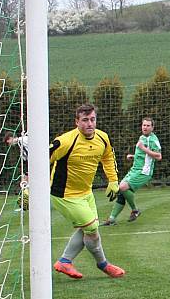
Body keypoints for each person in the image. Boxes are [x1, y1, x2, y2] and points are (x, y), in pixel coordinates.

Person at [50, 103, 125, 279]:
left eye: (92, 119)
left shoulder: (103, 138)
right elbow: (40, 159)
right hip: (64, 194)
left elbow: (108, 157)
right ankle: (104, 265)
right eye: (85, 120)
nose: (89, 124)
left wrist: (113, 180)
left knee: (89, 229)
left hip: (86, 192)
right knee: (91, 227)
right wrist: (30, 187)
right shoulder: (65, 141)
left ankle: (65, 261)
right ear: (77, 122)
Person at [102, 117, 162, 226]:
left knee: (123, 187)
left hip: (144, 172)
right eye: (144, 125)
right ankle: (111, 219)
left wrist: (143, 148)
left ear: (152, 127)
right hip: (135, 170)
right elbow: (145, 156)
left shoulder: (153, 140)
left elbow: (158, 156)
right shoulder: (142, 137)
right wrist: (134, 156)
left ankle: (135, 210)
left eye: (148, 125)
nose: (145, 127)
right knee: (121, 191)